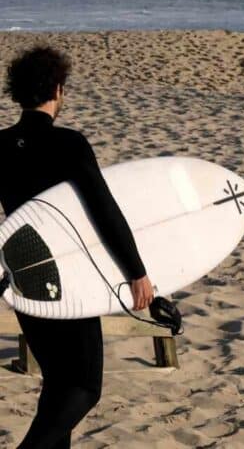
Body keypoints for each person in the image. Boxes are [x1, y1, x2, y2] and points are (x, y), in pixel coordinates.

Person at [0, 46, 154, 449]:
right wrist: (136, 271)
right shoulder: (68, 144)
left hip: (24, 278)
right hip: (68, 276)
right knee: (83, 387)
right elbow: (105, 211)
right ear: (57, 89)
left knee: (58, 384)